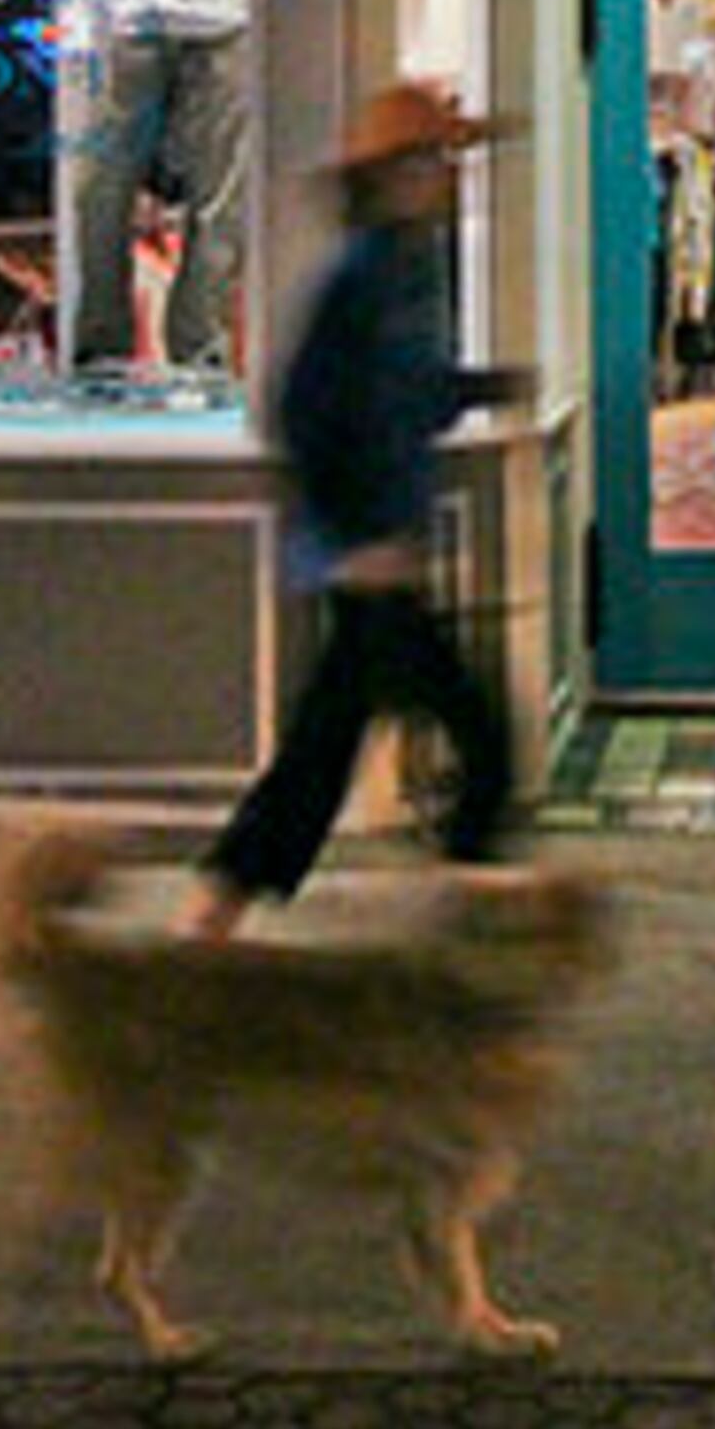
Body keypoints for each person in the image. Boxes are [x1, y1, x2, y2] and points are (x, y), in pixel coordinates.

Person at [183, 80, 526, 938]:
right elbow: (303, 409)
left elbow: (408, 396)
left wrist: (488, 386)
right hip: (364, 557)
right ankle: (462, 902)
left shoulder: (412, 269)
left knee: (332, 742)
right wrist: (351, 539)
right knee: (465, 737)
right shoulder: (361, 275)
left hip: (381, 548)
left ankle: (221, 903)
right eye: (436, 160)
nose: (450, 177)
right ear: (396, 175)